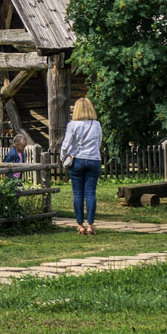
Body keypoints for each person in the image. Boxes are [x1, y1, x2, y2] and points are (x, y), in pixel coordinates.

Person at [60, 96, 103, 234]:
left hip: (77, 159)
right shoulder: (96, 124)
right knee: (90, 193)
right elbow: (99, 142)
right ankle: (91, 224)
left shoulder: (72, 125)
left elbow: (66, 145)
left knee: (78, 194)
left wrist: (63, 158)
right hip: (94, 160)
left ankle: (80, 225)